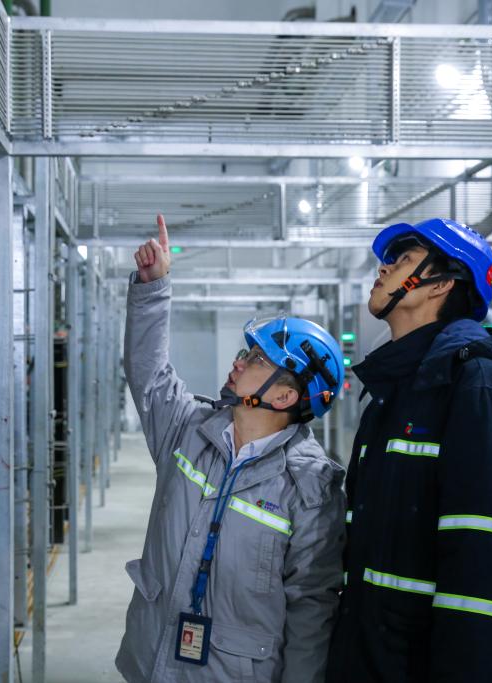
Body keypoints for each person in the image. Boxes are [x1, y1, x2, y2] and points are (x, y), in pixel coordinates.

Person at [116, 214, 347, 683]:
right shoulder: (188, 431)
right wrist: (154, 288)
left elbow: (311, 607)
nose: (239, 363)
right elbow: (149, 375)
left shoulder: (310, 487)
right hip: (152, 659)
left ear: (284, 396)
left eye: (256, 359)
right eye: (246, 353)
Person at [325, 218, 492, 682]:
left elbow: (487, 562)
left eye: (403, 259)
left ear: (442, 283)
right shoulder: (398, 388)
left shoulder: (477, 384)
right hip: (375, 658)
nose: (383, 269)